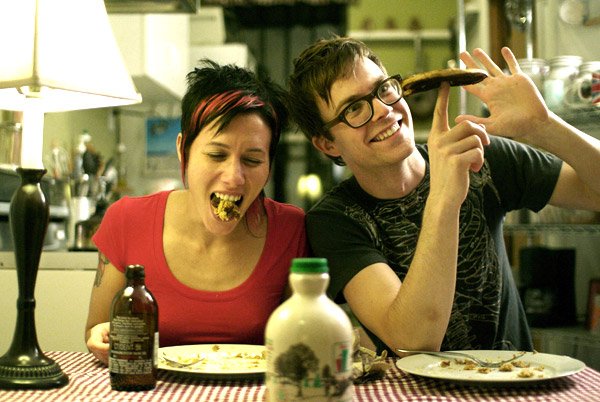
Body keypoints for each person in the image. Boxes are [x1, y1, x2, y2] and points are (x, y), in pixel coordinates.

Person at [287, 36, 600, 354]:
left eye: (383, 89)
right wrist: (444, 199)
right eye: (354, 108)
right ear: (327, 144)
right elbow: (412, 340)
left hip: (514, 377)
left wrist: (544, 126)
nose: (383, 109)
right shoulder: (334, 220)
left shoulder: (478, 155)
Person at [85, 60, 310, 365]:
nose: (234, 177)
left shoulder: (291, 229)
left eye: (253, 160)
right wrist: (103, 337)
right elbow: (96, 330)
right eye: (217, 154)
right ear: (183, 151)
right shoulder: (126, 219)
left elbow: (301, 342)